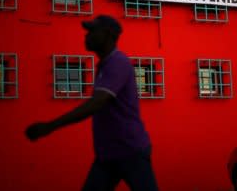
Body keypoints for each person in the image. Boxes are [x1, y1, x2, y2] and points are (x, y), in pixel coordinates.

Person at [25, 15, 158, 191]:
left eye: (92, 31)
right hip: (108, 154)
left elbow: (97, 103)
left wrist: (52, 126)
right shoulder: (105, 64)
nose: (86, 36)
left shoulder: (117, 63)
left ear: (108, 34)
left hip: (129, 151)